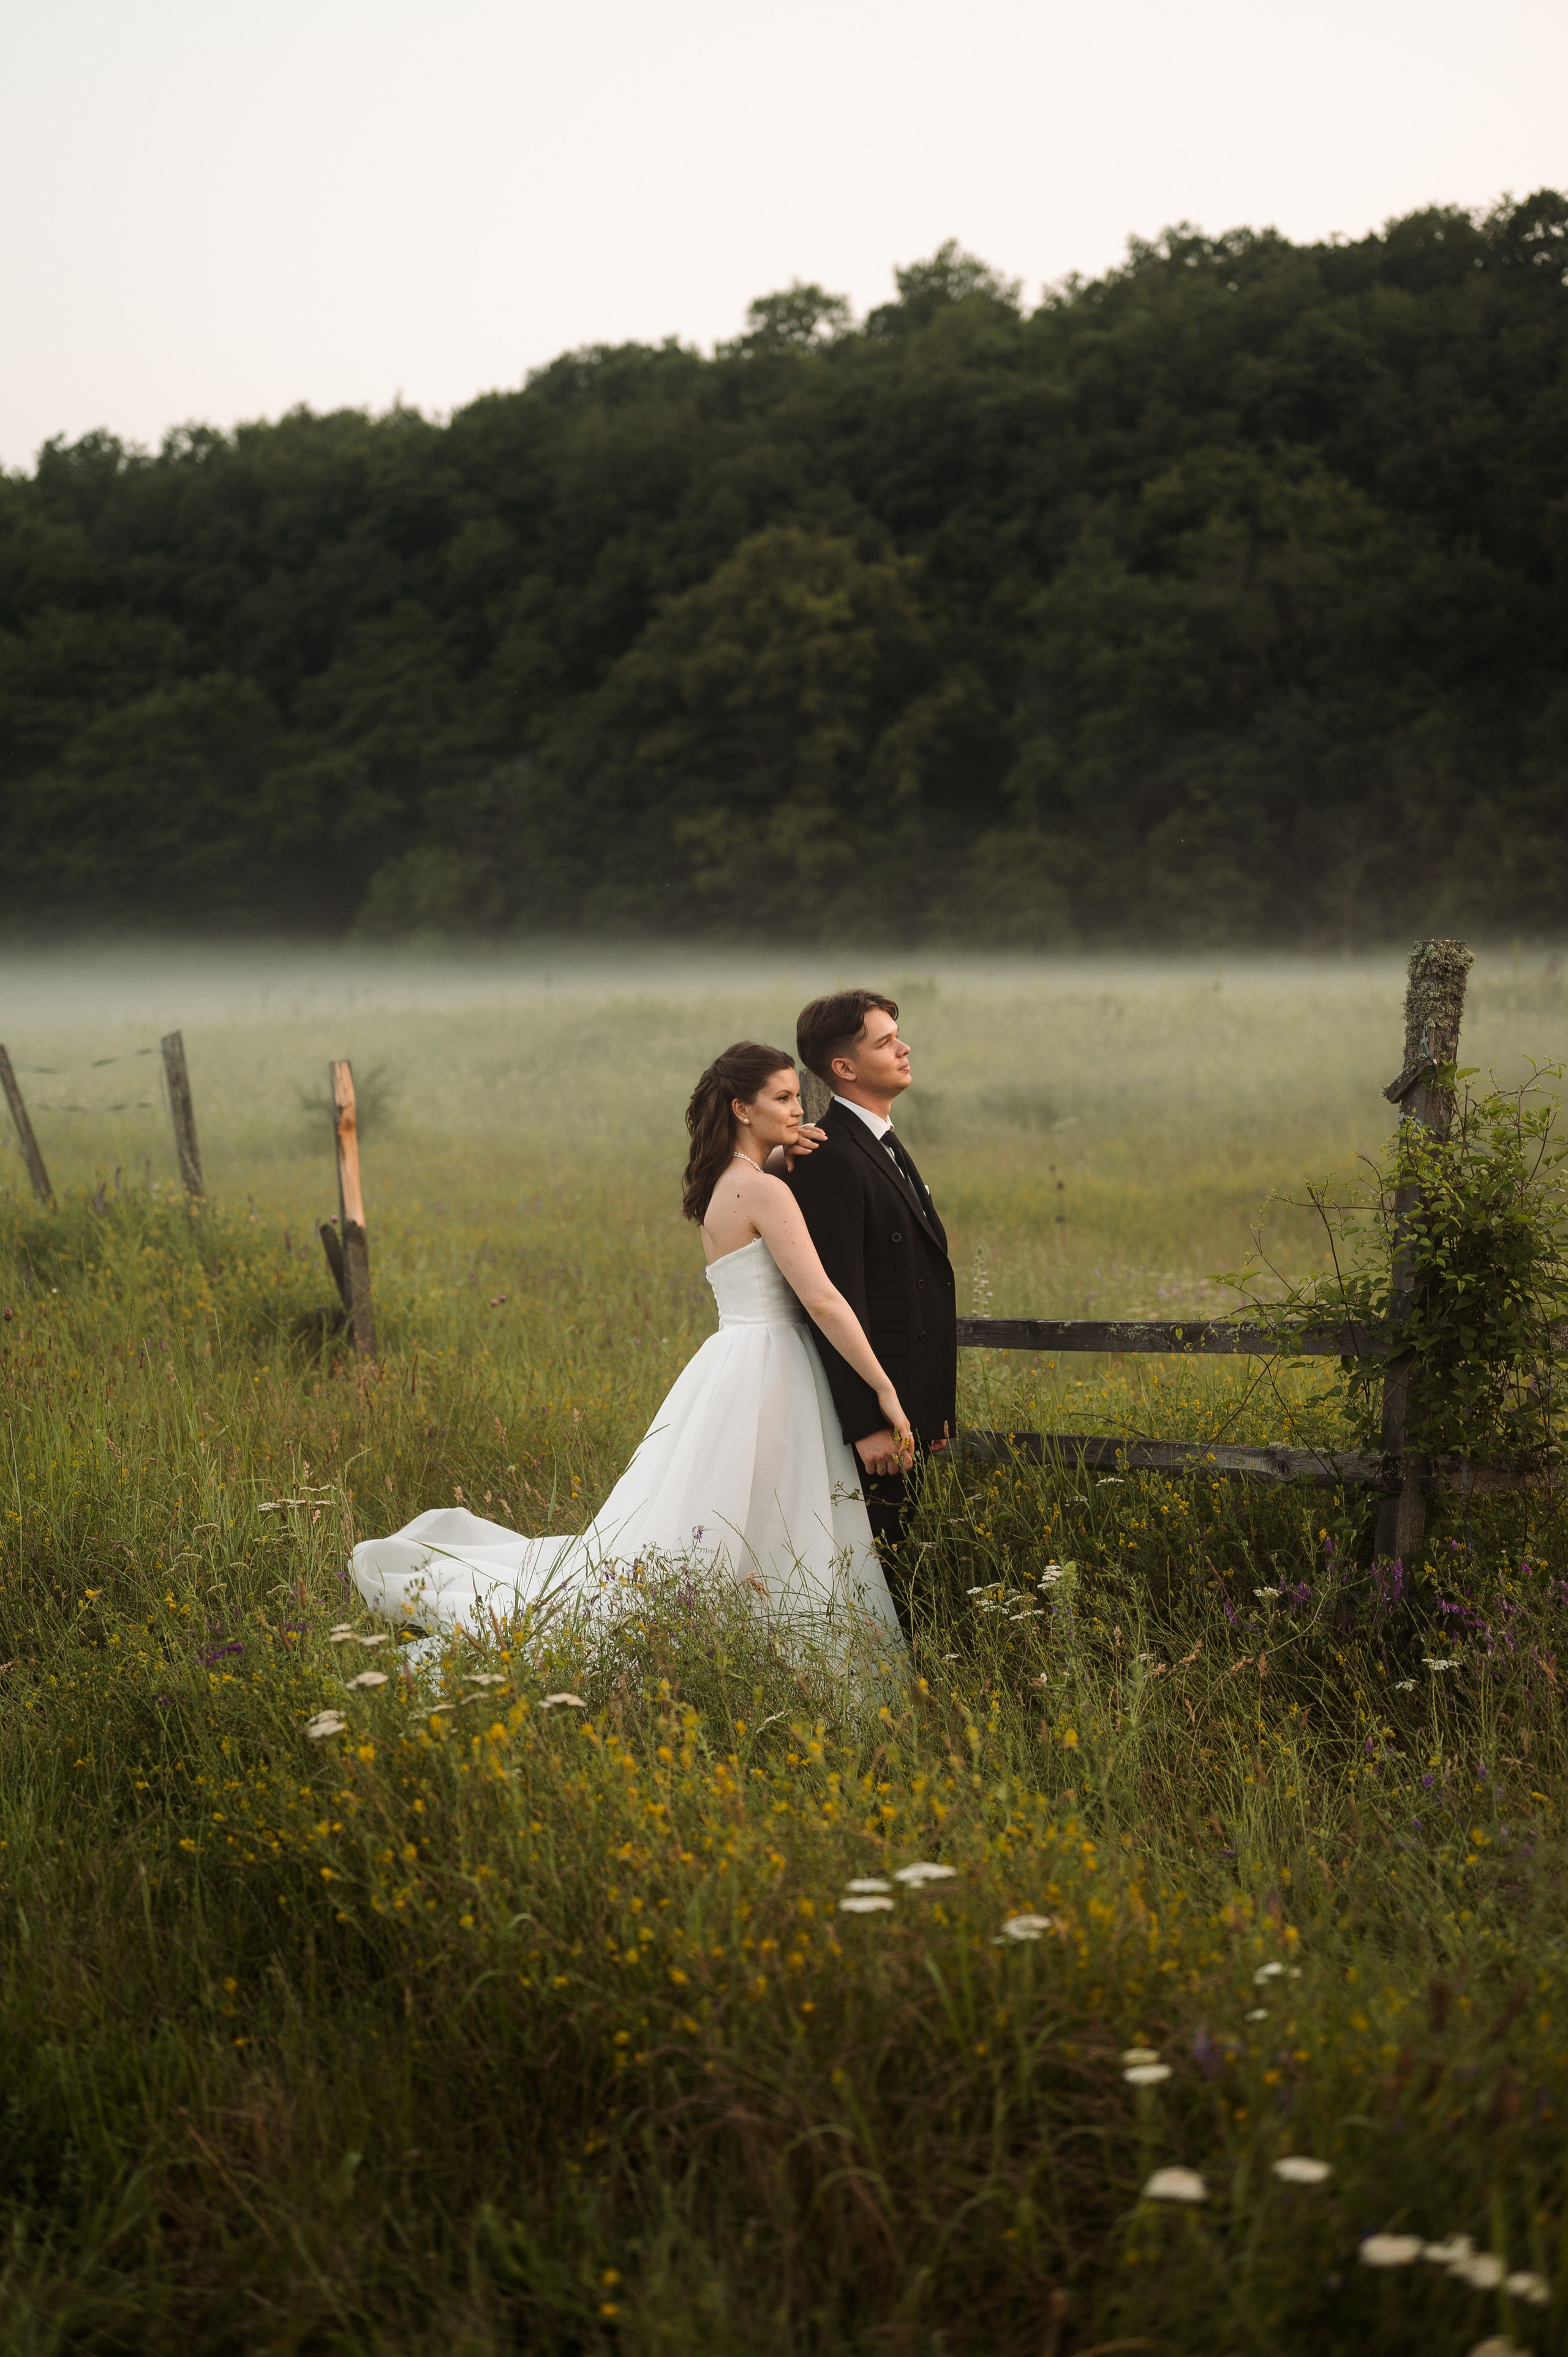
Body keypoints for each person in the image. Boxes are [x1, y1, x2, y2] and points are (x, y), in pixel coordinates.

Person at [350, 1044, 911, 1646]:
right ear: (742, 1109)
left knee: (737, 1509)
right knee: (780, 1508)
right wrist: (882, 1388)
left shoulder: (725, 1182)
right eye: (783, 1097)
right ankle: (776, 1637)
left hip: (734, 1361)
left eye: (797, 1097)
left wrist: (779, 1152)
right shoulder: (764, 1191)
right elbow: (822, 1299)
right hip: (776, 1366)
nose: (799, 1110)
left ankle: (740, 1632)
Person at [786, 992, 957, 1637]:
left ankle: (900, 1668)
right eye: (885, 1042)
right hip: (875, 1418)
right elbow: (835, 1298)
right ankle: (878, 1672)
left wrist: (930, 1409)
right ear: (844, 1067)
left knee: (898, 1557)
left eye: (897, 1035)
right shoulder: (831, 1157)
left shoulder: (880, 1139)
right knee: (876, 1564)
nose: (904, 1047)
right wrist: (867, 1421)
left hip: (908, 1402)